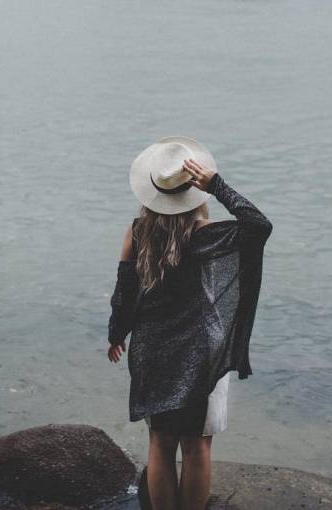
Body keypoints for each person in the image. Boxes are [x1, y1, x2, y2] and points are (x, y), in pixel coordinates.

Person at [107, 136, 272, 510]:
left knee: (160, 444)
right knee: (197, 447)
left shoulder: (137, 232)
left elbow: (125, 291)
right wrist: (218, 185)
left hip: (152, 349)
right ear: (193, 193)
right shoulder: (207, 236)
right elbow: (258, 225)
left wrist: (117, 334)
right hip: (202, 352)